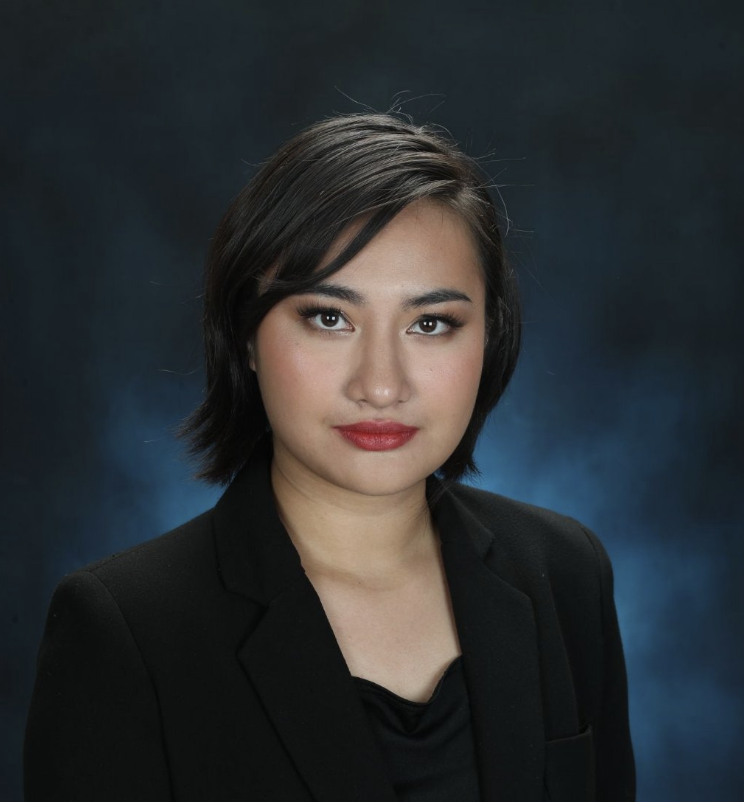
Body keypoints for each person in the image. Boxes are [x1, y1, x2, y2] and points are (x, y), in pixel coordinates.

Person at [24, 112, 635, 802]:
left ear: (489, 336)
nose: (381, 385)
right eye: (329, 317)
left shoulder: (565, 573)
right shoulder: (125, 631)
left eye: (430, 323)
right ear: (245, 335)